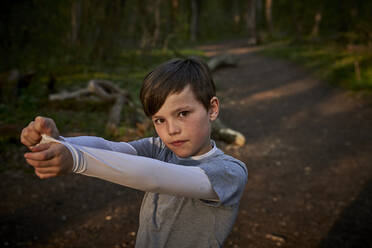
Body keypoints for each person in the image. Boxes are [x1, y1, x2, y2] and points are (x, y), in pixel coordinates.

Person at [20, 57, 248, 247]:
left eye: (183, 113)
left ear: (212, 109)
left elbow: (155, 178)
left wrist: (77, 160)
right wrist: (61, 141)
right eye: (159, 119)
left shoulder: (229, 172)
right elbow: (111, 147)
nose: (171, 130)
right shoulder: (160, 148)